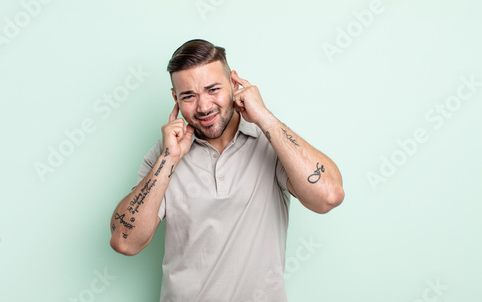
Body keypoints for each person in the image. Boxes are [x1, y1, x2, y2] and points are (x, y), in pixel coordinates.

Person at [109, 39, 344, 301]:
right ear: (175, 98)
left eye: (212, 89)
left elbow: (329, 196)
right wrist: (169, 158)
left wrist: (264, 117)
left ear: (234, 84)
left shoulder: (272, 142)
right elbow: (125, 242)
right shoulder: (164, 155)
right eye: (189, 96)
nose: (203, 107)